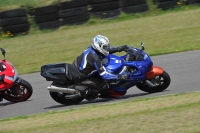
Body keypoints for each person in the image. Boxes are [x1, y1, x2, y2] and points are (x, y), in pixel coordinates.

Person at [71, 35, 128, 100]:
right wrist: (119, 76)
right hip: (80, 77)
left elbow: (106, 51)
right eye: (104, 47)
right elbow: (105, 75)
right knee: (104, 85)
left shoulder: (93, 49)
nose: (106, 48)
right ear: (98, 46)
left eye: (106, 47)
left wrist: (118, 48)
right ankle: (87, 94)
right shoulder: (95, 58)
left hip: (77, 66)